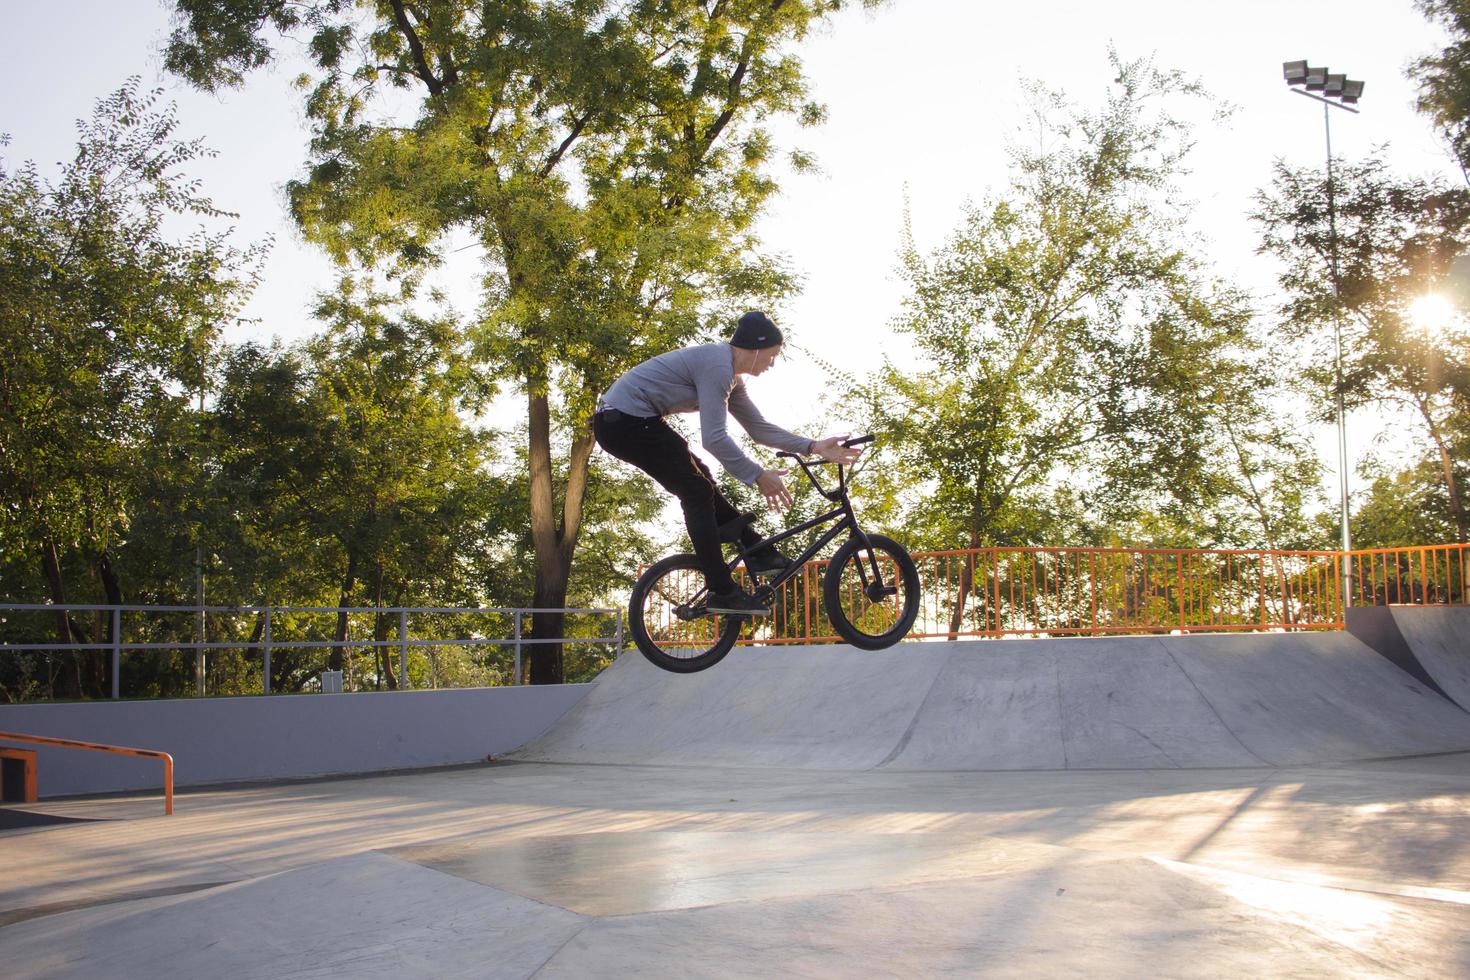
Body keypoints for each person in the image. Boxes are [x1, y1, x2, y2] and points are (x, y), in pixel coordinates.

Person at [593, 311, 862, 615]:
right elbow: (714, 439)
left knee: (701, 477)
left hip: (632, 421)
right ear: (756, 348)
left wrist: (813, 446)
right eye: (772, 356)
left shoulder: (732, 378)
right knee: (695, 491)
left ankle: (757, 551)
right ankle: (722, 591)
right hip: (623, 422)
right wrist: (758, 475)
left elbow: (758, 428)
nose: (771, 364)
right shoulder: (718, 367)